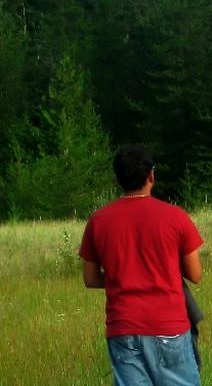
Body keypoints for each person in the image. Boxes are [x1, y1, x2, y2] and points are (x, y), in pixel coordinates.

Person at [79, 145, 204, 386]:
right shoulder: (176, 217)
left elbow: (90, 278)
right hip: (169, 325)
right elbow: (195, 274)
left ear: (118, 179)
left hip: (123, 328)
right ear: (151, 175)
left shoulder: (98, 221)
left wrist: (125, 276)